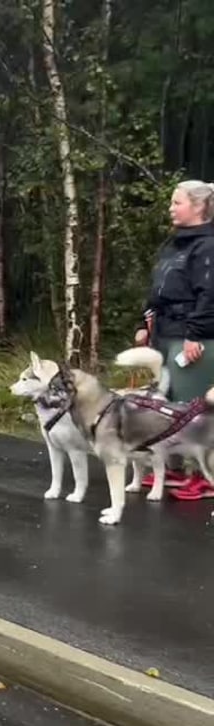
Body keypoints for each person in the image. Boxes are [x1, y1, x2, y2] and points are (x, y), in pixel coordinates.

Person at [134, 179, 214, 499]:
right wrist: (144, 321)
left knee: (192, 410)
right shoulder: (175, 243)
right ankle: (173, 470)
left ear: (198, 207)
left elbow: (209, 294)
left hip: (193, 338)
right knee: (166, 406)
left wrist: (196, 334)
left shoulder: (208, 246)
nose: (170, 207)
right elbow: (160, 287)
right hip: (165, 333)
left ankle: (205, 476)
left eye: (176, 202)